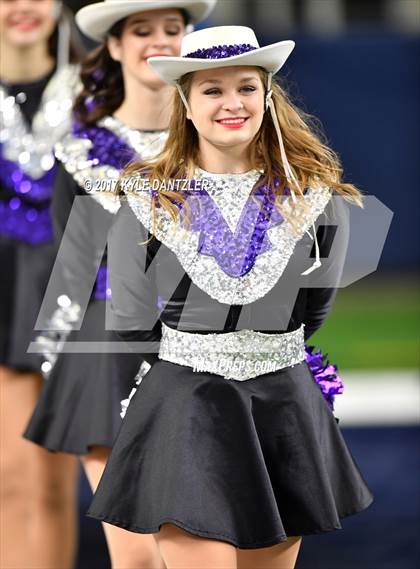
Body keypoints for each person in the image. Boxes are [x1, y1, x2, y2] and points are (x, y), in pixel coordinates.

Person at [87, 25, 375, 569]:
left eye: (246, 87)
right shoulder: (146, 198)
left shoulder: (313, 195)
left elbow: (314, 310)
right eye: (212, 90)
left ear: (267, 96)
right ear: (187, 105)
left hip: (282, 409)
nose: (232, 103)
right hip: (186, 409)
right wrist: (201, 362)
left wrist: (260, 355)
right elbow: (129, 320)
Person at [23, 1, 216, 568]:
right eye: (141, 30)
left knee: (193, 541)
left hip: (204, 353)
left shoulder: (219, 136)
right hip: (107, 355)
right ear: (113, 45)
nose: (158, 41)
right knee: (135, 557)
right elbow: (71, 267)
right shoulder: (79, 149)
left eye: (172, 29)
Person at [0, 1, 84, 567]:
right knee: (9, 481)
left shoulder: (100, 84)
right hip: (1, 296)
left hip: (73, 290)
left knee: (55, 485)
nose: (22, 6)